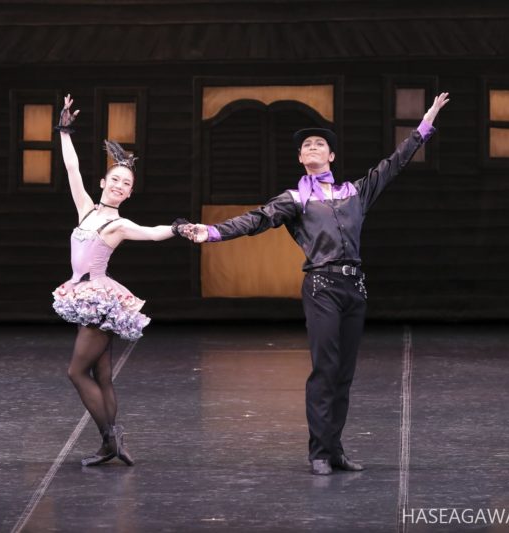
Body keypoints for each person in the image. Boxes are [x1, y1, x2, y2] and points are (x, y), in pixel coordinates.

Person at [184, 93, 450, 475]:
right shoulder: (296, 199)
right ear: (300, 159)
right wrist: (211, 232)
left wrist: (425, 123)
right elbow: (256, 219)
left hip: (354, 289)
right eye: (306, 145)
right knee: (325, 369)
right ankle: (320, 452)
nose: (312, 147)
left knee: (344, 374)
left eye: (319, 143)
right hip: (322, 286)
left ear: (331, 156)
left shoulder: (354, 193)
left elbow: (393, 164)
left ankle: (335, 449)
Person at [52, 95, 189, 467]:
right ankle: (110, 444)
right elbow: (71, 168)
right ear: (103, 182)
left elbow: (153, 233)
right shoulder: (85, 209)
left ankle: (111, 439)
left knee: (76, 372)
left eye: (125, 183)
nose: (118, 185)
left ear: (129, 192)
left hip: (97, 298)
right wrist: (64, 131)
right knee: (102, 375)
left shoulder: (119, 224)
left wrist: (178, 228)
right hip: (84, 293)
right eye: (114, 179)